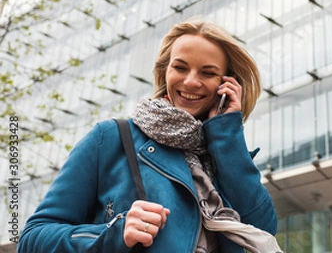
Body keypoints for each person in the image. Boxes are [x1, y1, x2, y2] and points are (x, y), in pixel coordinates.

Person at [18, 18, 282, 253]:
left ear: (226, 84)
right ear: (164, 72)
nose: (190, 81)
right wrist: (115, 232)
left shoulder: (225, 152)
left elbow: (261, 229)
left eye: (208, 73)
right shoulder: (109, 138)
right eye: (180, 67)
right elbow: (33, 238)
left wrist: (227, 130)